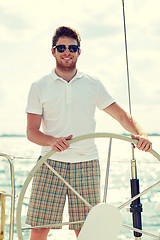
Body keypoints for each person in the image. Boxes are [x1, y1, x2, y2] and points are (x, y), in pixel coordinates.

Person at [25, 26, 152, 240]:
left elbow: (121, 116)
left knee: (86, 231)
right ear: (53, 51)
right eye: (62, 47)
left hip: (87, 164)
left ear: (79, 51)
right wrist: (52, 141)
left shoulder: (93, 84)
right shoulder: (39, 86)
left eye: (72, 47)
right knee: (39, 229)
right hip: (50, 164)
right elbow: (31, 132)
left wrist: (142, 134)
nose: (67, 52)